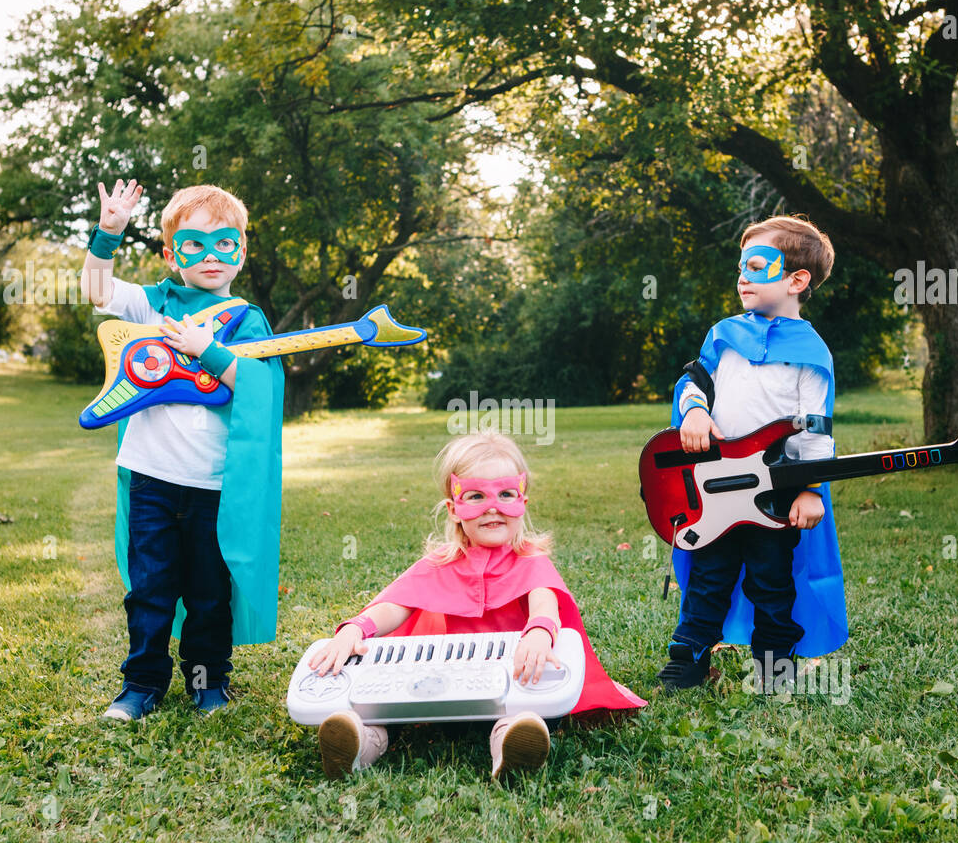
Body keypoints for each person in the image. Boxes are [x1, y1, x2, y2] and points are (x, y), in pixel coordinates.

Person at [306, 431, 646, 780]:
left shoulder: (530, 561)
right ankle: (359, 744)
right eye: (476, 496)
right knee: (380, 707)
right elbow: (395, 606)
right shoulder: (439, 564)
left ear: (522, 501)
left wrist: (540, 632)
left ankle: (511, 749)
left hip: (515, 683)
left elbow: (544, 601)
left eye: (505, 494)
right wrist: (355, 628)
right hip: (451, 691)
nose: (493, 507)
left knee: (522, 713)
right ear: (454, 510)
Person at [80, 180, 285, 719]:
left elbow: (258, 388)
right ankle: (141, 684)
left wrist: (209, 353)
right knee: (149, 589)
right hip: (151, 476)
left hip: (215, 483)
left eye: (226, 243)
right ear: (172, 254)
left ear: (242, 250)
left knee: (208, 592)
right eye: (195, 244)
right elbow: (98, 293)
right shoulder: (154, 303)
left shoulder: (248, 319)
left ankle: (208, 681)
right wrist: (108, 234)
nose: (212, 256)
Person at [659, 214, 847, 693]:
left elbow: (815, 430)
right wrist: (695, 413)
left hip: (773, 493)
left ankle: (774, 667)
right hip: (715, 486)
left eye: (756, 264)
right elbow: (693, 380)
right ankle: (690, 657)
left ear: (795, 279)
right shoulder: (724, 334)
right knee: (708, 576)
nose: (742, 275)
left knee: (771, 580)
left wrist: (809, 489)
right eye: (740, 265)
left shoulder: (812, 352)